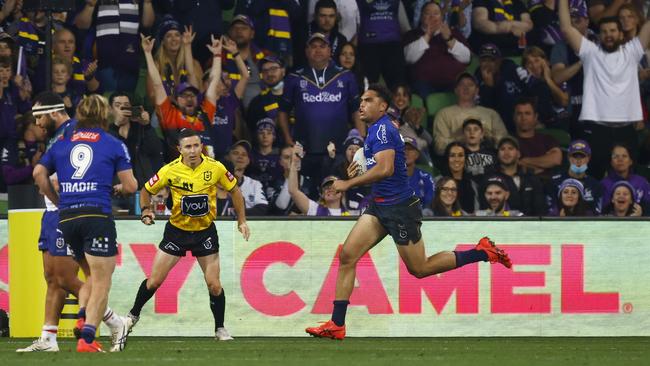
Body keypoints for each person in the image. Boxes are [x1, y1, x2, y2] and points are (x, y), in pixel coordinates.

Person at [305, 84, 511, 340]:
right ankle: (337, 324)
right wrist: (360, 171)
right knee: (347, 256)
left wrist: (347, 184)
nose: (362, 104)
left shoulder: (382, 129)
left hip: (400, 209)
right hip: (380, 206)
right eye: (361, 100)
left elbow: (386, 169)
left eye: (369, 100)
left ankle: (482, 252)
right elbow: (378, 168)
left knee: (420, 269)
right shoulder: (374, 131)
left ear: (382, 106)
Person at [32, 94, 138, 352]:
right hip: (95, 214)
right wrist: (114, 189)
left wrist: (57, 200)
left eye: (38, 116)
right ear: (105, 115)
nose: (36, 123)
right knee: (93, 278)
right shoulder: (112, 143)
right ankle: (91, 329)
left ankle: (79, 323)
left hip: (66, 216)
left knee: (71, 276)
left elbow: (38, 173)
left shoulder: (64, 141)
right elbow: (131, 185)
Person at [125, 128, 250, 341]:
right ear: (179, 149)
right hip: (177, 232)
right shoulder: (169, 170)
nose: (192, 151)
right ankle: (131, 317)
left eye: (196, 145)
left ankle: (220, 329)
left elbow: (235, 191)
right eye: (188, 147)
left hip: (205, 232)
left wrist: (242, 220)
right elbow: (146, 190)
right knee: (154, 281)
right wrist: (146, 210)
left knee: (214, 284)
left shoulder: (215, 167)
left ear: (201, 146)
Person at [559, 0, 650, 180]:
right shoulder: (590, 53)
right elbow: (566, 28)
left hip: (626, 129)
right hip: (597, 130)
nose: (608, 35)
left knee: (628, 180)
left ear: (621, 34)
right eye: (604, 32)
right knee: (596, 178)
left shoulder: (632, 51)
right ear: (599, 35)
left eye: (613, 31)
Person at [278, 33, 362, 182]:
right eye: (313, 46)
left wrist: (361, 138)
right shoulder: (294, 78)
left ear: (330, 50)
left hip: (338, 149)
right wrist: (287, 138)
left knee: (336, 190)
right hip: (305, 149)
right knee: (307, 193)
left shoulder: (346, 76)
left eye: (322, 46)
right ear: (306, 51)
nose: (318, 50)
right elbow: (283, 110)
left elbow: (357, 109)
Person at [143, 33, 222, 158]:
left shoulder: (205, 113)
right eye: (184, 96)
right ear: (176, 99)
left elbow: (214, 82)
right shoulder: (169, 115)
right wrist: (148, 53)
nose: (189, 98)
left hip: (206, 172)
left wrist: (217, 55)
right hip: (181, 173)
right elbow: (158, 84)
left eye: (192, 95)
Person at [403, 1, 471, 96]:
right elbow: (409, 58)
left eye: (436, 13)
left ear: (441, 17)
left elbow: (467, 58)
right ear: (421, 17)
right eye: (428, 13)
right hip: (423, 84)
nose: (432, 17)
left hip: (452, 83)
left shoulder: (453, 33)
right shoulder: (412, 35)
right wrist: (427, 35)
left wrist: (449, 39)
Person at [433, 72, 507, 156]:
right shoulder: (444, 114)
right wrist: (463, 140)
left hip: (489, 158)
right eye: (462, 84)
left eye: (470, 85)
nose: (466, 88)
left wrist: (487, 139)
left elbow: (504, 141)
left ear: (476, 91)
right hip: (458, 160)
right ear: (456, 90)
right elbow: (439, 146)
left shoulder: (491, 114)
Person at [487, 136, 546, 215]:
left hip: (530, 224)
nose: (506, 153)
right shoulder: (490, 179)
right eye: (502, 149)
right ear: (498, 154)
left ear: (518, 154)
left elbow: (540, 208)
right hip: (502, 224)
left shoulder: (530, 177)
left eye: (510, 148)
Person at [546, 139, 603, 214]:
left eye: (582, 156)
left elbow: (597, 214)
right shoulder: (554, 182)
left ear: (588, 158)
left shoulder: (595, 185)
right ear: (569, 158)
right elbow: (549, 210)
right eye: (575, 156)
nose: (578, 160)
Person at [513, 98, 562, 177]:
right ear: (514, 117)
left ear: (535, 117)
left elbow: (556, 159)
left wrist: (525, 161)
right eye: (519, 114)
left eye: (527, 113)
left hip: (548, 184)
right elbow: (514, 168)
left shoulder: (547, 139)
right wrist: (543, 164)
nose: (523, 118)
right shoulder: (509, 141)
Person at [223, 139, 269, 216]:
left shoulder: (255, 184)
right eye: (235, 153)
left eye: (244, 154)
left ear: (248, 161)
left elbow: (262, 208)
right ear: (227, 157)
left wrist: (237, 213)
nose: (240, 156)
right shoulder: (218, 182)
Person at [246, 55, 286, 138]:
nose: (269, 73)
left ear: (283, 71)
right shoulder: (256, 103)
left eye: (274, 69)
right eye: (265, 71)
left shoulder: (296, 96)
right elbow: (251, 133)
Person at [601, 143, 650, 207]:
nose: (620, 159)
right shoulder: (603, 185)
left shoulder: (642, 182)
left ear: (630, 161)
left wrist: (642, 212)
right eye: (616, 156)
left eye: (624, 156)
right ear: (611, 162)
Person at [438, 141, 479, 213]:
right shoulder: (437, 181)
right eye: (452, 155)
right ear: (447, 158)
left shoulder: (473, 185)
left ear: (465, 158)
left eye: (460, 155)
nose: (456, 159)